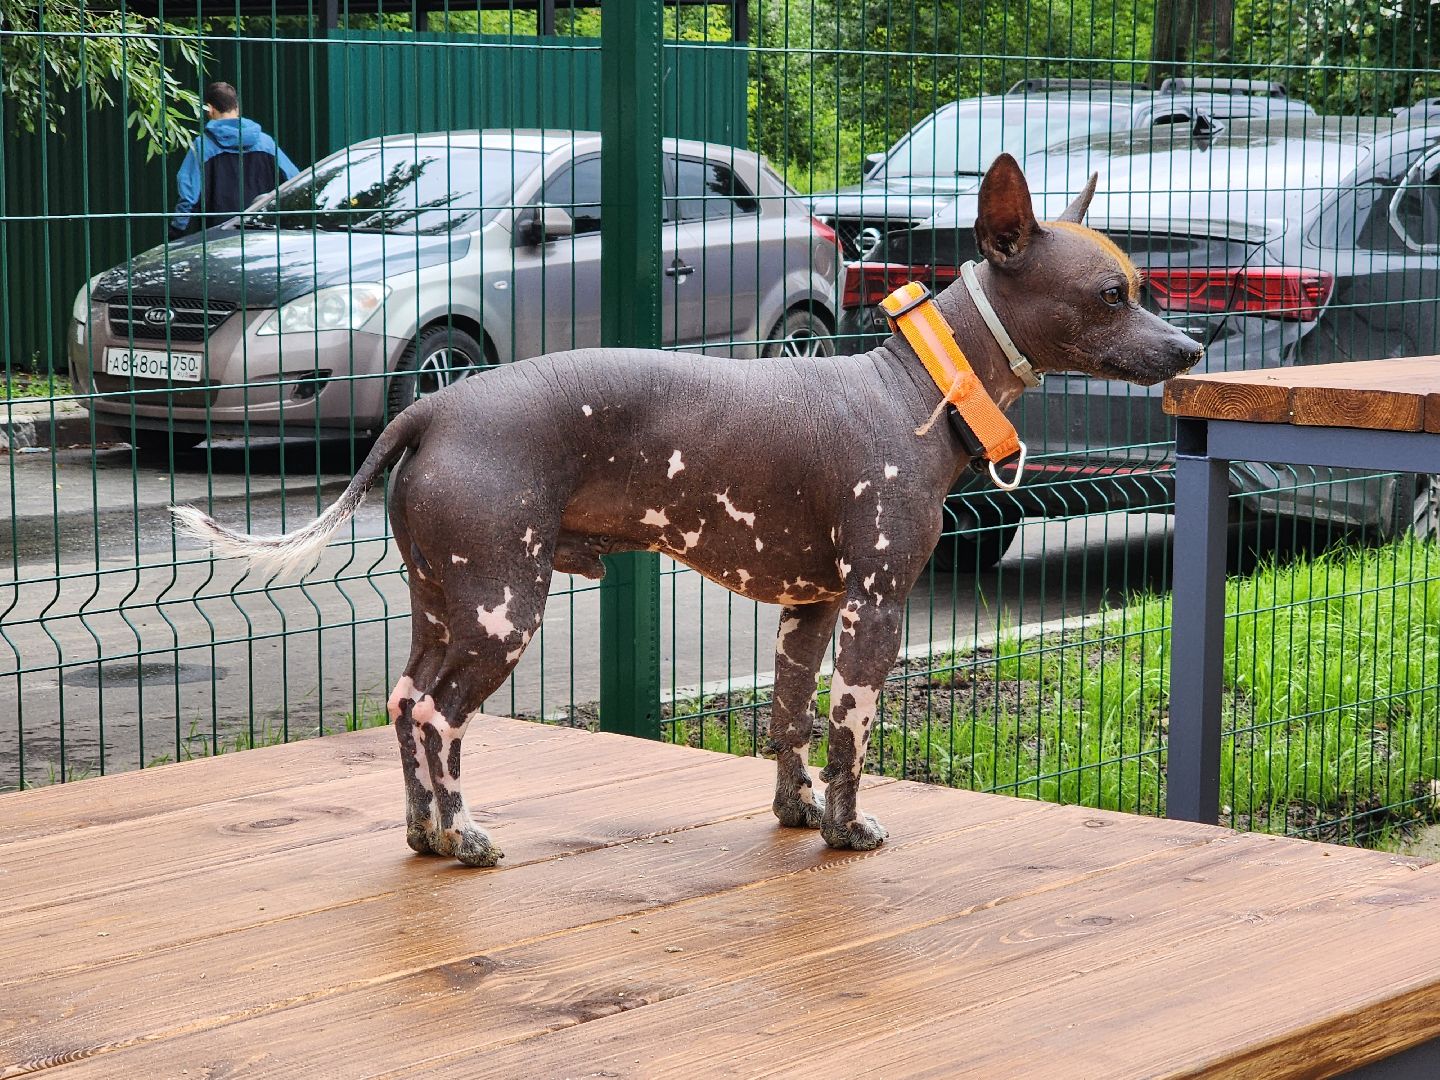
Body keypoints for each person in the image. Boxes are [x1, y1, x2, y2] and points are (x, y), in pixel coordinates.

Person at [169, 81, 299, 239]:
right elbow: (295, 181)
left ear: (210, 109)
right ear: (236, 107)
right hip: (263, 234)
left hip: (219, 236)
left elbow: (189, 196)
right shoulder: (266, 143)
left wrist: (177, 230)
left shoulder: (202, 146)